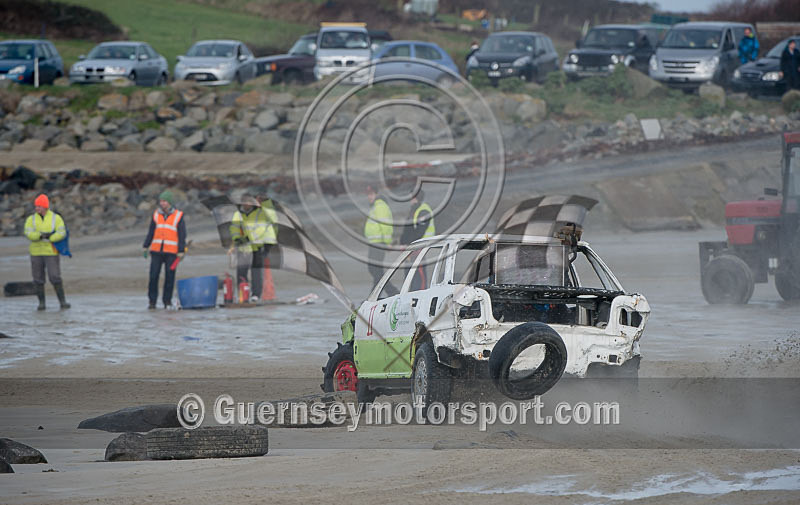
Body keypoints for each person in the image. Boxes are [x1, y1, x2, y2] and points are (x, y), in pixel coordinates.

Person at [24, 194, 69, 310]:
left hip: (51, 251)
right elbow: (28, 233)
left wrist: (51, 238)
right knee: (38, 278)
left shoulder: (56, 218)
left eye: (39, 206)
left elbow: (62, 232)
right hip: (36, 252)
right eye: (36, 206)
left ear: (45, 206)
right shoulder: (31, 219)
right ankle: (41, 303)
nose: (36, 208)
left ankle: (62, 302)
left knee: (55, 276)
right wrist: (39, 236)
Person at [142, 190, 186, 309]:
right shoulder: (156, 214)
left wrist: (181, 250)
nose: (162, 203)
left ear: (170, 202)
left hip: (171, 252)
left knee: (169, 277)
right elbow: (151, 231)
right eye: (161, 201)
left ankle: (167, 301)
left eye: (165, 201)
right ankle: (152, 301)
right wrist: (146, 246)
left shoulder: (178, 216)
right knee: (153, 276)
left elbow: (182, 235)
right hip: (156, 251)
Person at [229, 194, 276, 301]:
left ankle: (256, 294)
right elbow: (234, 227)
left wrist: (266, 202)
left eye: (249, 202)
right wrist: (237, 238)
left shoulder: (261, 212)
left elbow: (272, 216)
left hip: (259, 246)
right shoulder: (238, 214)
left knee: (256, 272)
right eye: (244, 202)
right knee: (241, 271)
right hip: (244, 247)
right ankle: (242, 293)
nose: (246, 204)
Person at [401, 190, 436, 291]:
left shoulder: (423, 210)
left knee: (419, 275)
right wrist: (403, 242)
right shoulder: (414, 210)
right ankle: (410, 295)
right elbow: (408, 229)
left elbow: (419, 231)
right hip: (412, 248)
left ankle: (420, 294)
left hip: (421, 247)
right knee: (410, 274)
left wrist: (411, 243)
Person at [364, 185, 393, 288]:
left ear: (377, 194)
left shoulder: (380, 206)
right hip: (374, 243)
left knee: (374, 269)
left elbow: (386, 225)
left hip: (379, 243)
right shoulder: (375, 206)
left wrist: (388, 242)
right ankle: (376, 295)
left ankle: (389, 292)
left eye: (371, 194)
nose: (369, 197)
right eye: (368, 195)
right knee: (375, 269)